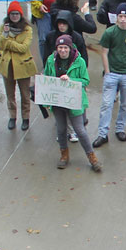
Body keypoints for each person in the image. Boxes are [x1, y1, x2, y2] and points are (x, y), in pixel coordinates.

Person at [44, 34, 100, 171]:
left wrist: (71, 80)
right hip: (58, 101)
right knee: (61, 129)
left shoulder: (79, 61)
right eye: (60, 48)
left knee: (80, 130)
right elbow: (47, 77)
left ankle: (92, 157)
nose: (62, 50)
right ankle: (64, 155)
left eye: (65, 48)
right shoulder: (51, 60)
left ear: (70, 48)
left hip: (74, 101)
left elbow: (85, 81)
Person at [91, 2, 126, 146]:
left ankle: (120, 128)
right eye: (120, 16)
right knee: (106, 104)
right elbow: (104, 52)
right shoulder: (109, 33)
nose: (123, 19)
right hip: (112, 74)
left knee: (125, 104)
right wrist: (107, 71)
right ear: (117, 17)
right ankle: (102, 133)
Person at [0, 1, 39, 132]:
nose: (14, 16)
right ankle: (12, 117)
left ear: (21, 15)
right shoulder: (3, 27)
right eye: (12, 14)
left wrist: (9, 42)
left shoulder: (27, 29)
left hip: (23, 66)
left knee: (25, 94)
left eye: (17, 13)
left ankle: (26, 118)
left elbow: (23, 48)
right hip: (7, 66)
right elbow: (0, 45)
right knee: (10, 94)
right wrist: (6, 35)